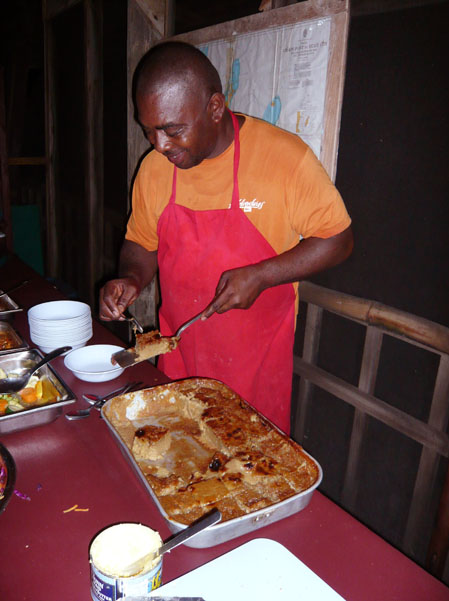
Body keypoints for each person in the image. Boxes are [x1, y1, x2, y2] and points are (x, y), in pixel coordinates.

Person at [99, 41, 353, 434]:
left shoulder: (284, 159)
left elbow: (339, 240)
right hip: (178, 365)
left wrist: (263, 274)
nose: (159, 145)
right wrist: (131, 279)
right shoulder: (153, 170)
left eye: (172, 129)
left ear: (215, 108)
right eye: (149, 130)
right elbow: (140, 244)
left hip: (254, 374)